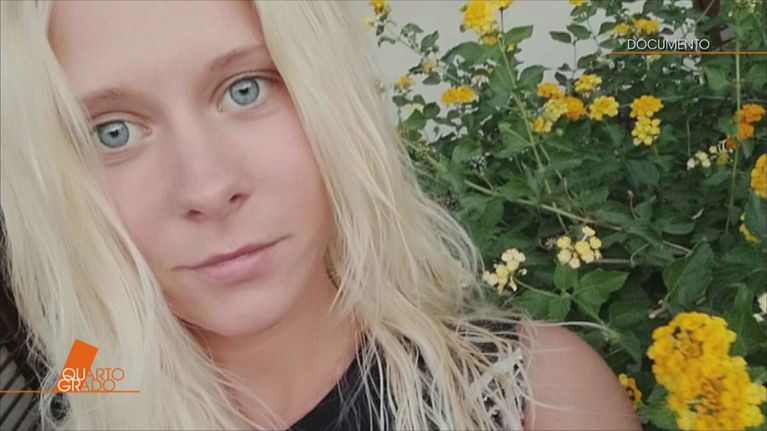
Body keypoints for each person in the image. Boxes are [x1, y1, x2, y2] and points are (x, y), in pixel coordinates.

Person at [0, 1, 642, 430]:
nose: (208, 187)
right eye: (111, 132)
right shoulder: (88, 391)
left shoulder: (536, 397)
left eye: (244, 89)